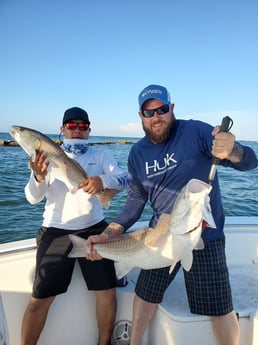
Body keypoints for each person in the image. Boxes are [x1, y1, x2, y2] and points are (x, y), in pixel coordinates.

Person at [86, 85, 258, 345]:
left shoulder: (196, 132)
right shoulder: (138, 153)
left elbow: (250, 161)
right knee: (145, 296)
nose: (156, 117)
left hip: (204, 237)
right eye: (149, 112)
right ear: (141, 115)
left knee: (220, 309)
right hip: (158, 236)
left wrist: (233, 151)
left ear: (172, 109)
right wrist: (109, 233)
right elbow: (135, 200)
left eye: (162, 110)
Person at [21, 106, 127, 345]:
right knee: (39, 299)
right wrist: (38, 177)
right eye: (72, 126)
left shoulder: (100, 156)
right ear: (62, 129)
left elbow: (124, 179)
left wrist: (103, 181)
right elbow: (32, 198)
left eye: (83, 127)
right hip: (56, 230)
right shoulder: (43, 156)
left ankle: (104, 343)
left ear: (89, 130)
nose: (77, 130)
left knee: (107, 292)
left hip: (94, 228)